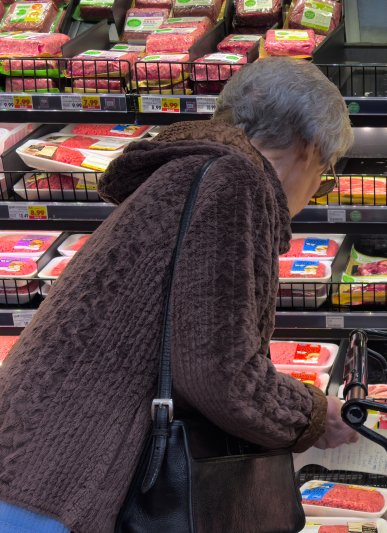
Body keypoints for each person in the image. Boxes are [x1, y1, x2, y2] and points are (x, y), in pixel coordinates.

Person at [0, 57, 357, 532]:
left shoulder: (194, 170)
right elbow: (217, 370)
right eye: (326, 171)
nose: (316, 187)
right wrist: (311, 415)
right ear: (310, 148)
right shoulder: (236, 181)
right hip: (64, 482)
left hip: (34, 456)